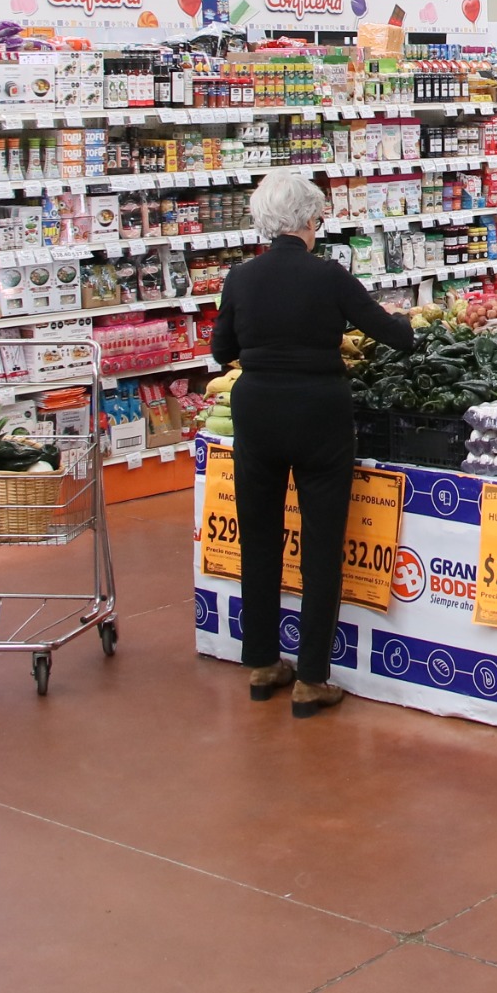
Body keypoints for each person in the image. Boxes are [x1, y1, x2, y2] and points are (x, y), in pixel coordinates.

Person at [209, 167, 415, 717]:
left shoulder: (240, 278)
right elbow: (394, 335)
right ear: (310, 219)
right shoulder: (330, 276)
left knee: (259, 538)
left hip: (257, 411)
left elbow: (221, 350)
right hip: (320, 412)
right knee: (321, 547)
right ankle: (311, 679)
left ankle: (261, 664)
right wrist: (401, 321)